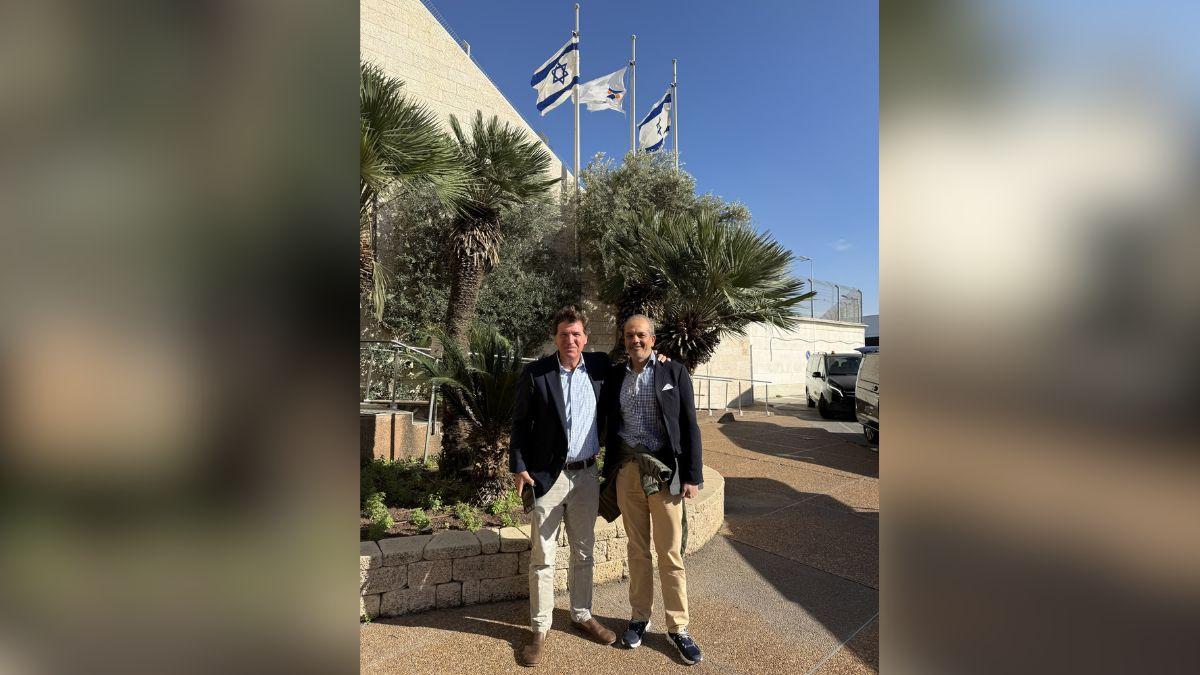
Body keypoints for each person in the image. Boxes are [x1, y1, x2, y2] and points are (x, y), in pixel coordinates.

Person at [510, 306, 616, 667]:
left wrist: (661, 354)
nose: (570, 340)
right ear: (555, 338)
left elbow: (640, 355)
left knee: (584, 551)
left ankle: (582, 614)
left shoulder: (600, 367)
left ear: (585, 338)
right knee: (543, 555)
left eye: (576, 334)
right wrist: (519, 467)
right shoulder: (537, 373)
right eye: (563, 334)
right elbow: (520, 424)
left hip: (587, 476)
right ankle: (540, 629)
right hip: (547, 477)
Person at [599, 314, 705, 665]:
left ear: (653, 338)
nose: (636, 341)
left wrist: (692, 475)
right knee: (637, 549)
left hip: (663, 473)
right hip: (628, 470)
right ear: (624, 340)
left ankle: (678, 627)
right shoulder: (615, 375)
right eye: (630, 336)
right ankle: (639, 618)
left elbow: (689, 424)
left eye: (641, 335)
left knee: (670, 552)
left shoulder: (673, 372)